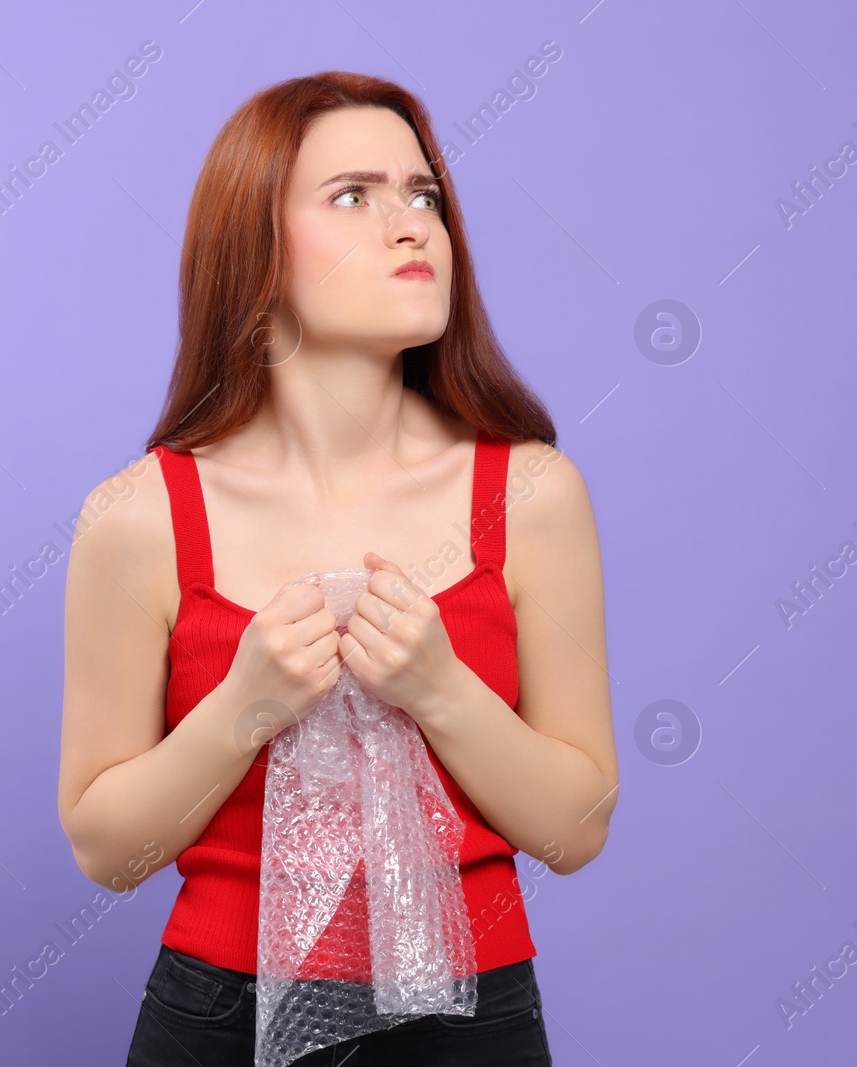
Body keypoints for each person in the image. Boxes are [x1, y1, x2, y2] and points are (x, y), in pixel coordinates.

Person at [57, 71, 617, 1066]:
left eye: (424, 194)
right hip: (216, 1016)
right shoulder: (137, 517)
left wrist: (439, 688)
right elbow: (106, 850)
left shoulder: (533, 494)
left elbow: (575, 830)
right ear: (255, 251)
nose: (412, 226)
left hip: (473, 1015)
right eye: (353, 195)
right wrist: (245, 706)